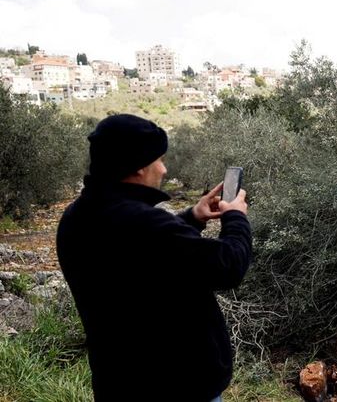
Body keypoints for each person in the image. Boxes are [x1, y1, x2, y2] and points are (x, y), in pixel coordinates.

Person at [57, 114, 252, 401]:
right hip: (178, 386)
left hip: (119, 383)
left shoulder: (78, 216)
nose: (163, 168)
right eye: (158, 159)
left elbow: (145, 257)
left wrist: (193, 217)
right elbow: (229, 265)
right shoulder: (145, 224)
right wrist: (235, 217)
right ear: (137, 166)